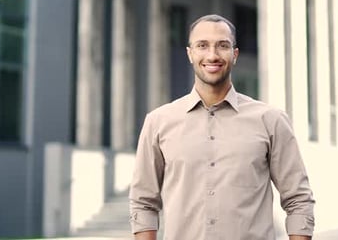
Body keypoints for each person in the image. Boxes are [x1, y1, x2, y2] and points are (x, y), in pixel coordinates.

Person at [129, 14, 315, 240]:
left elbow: (298, 199)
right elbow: (143, 203)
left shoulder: (271, 120)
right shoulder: (158, 122)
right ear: (190, 53)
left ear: (234, 55)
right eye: (202, 45)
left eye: (222, 46)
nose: (212, 55)